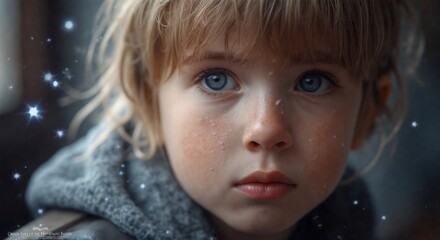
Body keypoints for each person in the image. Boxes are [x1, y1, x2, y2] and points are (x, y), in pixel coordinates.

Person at [20, 0, 420, 239]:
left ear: (368, 111)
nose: (266, 129)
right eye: (216, 79)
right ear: (148, 103)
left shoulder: (345, 218)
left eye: (312, 82)